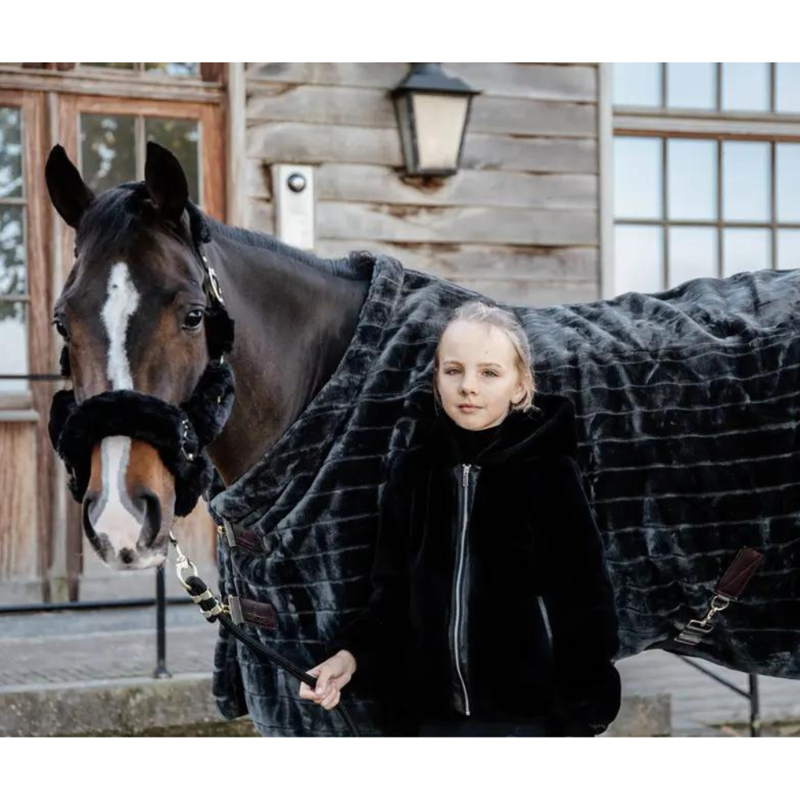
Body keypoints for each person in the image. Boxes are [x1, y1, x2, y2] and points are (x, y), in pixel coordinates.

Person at [298, 300, 622, 736]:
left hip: (528, 721)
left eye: (489, 373)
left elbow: (585, 603)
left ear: (520, 385)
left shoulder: (549, 474)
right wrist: (349, 658)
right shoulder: (414, 472)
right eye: (453, 370)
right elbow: (391, 599)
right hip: (428, 721)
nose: (468, 386)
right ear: (436, 378)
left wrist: (580, 713)